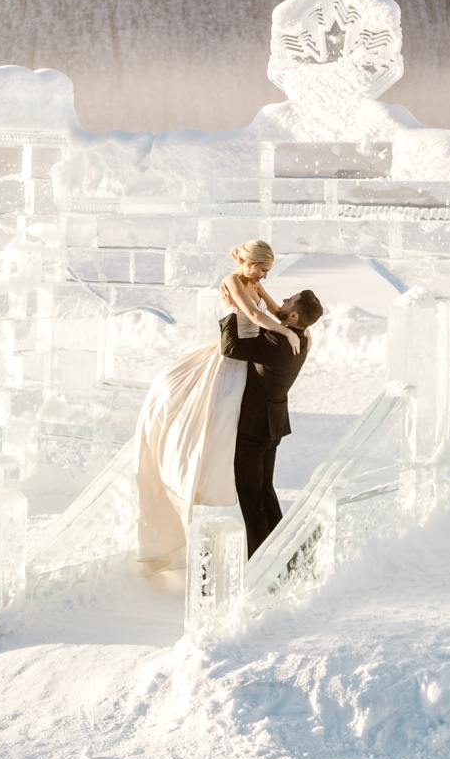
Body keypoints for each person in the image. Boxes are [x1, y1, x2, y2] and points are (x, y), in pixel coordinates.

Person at [132, 241, 300, 569]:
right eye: (263, 268)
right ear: (249, 263)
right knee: (217, 420)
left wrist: (283, 315)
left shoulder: (254, 283)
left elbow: (273, 311)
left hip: (247, 359)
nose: (266, 274)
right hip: (234, 355)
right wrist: (286, 333)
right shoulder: (234, 282)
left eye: (268, 269)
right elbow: (251, 316)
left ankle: (270, 545)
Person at [219, 285, 325, 557]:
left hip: (254, 428)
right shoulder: (301, 338)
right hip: (272, 424)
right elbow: (278, 313)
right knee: (265, 492)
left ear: (293, 319)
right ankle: (284, 557)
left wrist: (232, 309)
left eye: (289, 301)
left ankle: (258, 567)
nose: (284, 300)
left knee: (252, 499)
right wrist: (258, 290)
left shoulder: (278, 342)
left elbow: (230, 346)